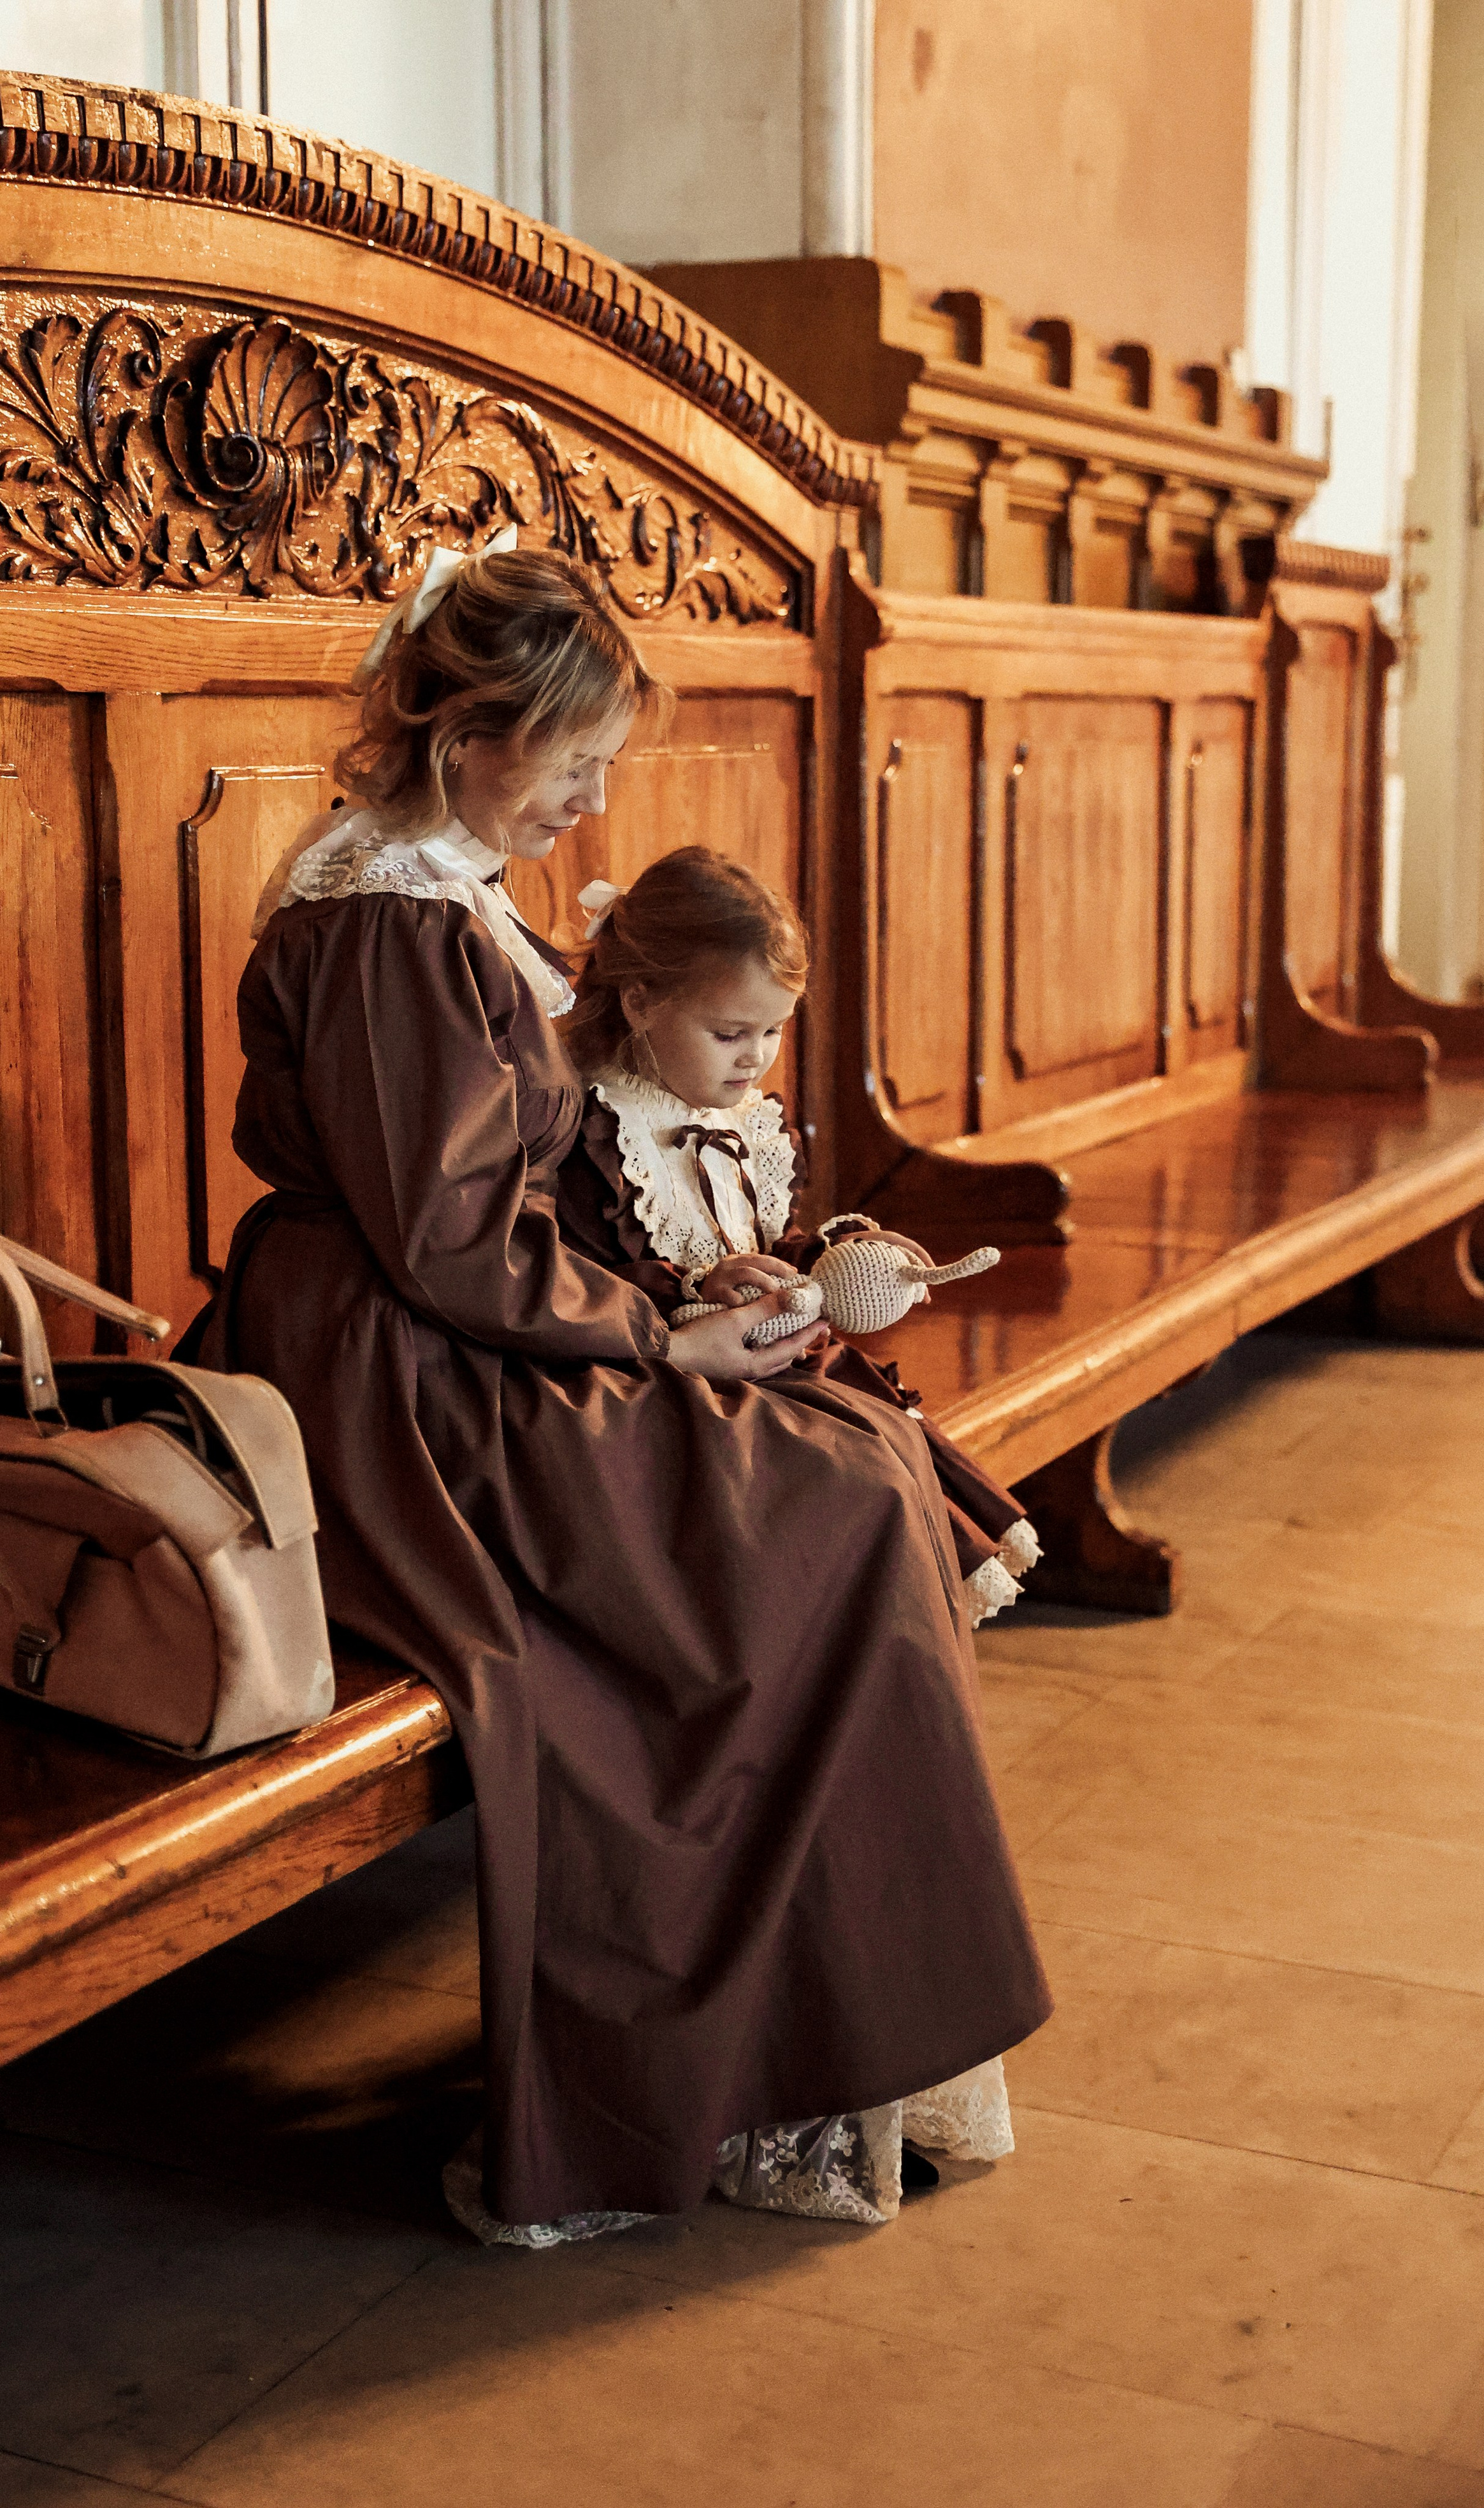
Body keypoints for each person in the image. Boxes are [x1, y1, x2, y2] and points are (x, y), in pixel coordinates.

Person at [193, 528, 1051, 2242]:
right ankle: (722, 2075)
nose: (595, 801)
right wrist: (658, 1339)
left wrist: (694, 1284)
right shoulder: (385, 916)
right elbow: (445, 1239)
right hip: (405, 1376)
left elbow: (512, 1186)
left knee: (857, 1452)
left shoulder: (447, 886)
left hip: (474, 1320)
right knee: (816, 1509)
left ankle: (810, 2054)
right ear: (468, 737)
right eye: (572, 763)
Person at [554, 844, 1042, 1632]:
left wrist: (840, 1262)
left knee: (894, 1444)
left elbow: (774, 1243)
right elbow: (584, 1285)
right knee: (867, 1478)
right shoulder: (597, 1134)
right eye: (729, 1033)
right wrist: (693, 1290)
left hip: (777, 1360)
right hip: (681, 1389)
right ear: (640, 1002)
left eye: (774, 1030)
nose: (755, 1057)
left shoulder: (746, 1120)